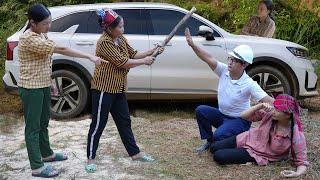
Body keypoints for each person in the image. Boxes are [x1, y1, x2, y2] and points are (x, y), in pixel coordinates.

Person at [18, 4, 103, 178]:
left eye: (50, 22)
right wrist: (89, 56)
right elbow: (62, 50)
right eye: (45, 23)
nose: (48, 26)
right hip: (31, 88)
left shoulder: (40, 34)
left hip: (42, 84)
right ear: (33, 23)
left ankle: (47, 154)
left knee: (43, 123)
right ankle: (37, 167)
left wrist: (51, 82)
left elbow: (42, 62)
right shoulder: (28, 38)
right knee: (33, 128)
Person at [85, 9, 164, 173]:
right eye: (120, 27)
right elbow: (122, 62)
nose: (123, 29)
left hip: (118, 87)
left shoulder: (120, 38)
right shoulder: (104, 42)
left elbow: (133, 54)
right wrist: (145, 61)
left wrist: (152, 51)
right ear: (109, 28)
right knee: (99, 123)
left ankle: (134, 153)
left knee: (124, 121)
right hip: (103, 89)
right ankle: (90, 157)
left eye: (122, 26)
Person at [184, 28, 274, 154]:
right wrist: (192, 44)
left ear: (244, 65)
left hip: (239, 121)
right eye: (230, 58)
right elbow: (207, 57)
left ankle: (237, 138)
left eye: (234, 60)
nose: (230, 62)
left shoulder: (249, 84)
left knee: (219, 136)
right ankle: (210, 142)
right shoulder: (224, 70)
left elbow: (268, 100)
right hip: (222, 115)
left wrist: (288, 109)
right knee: (201, 110)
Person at [210, 94, 308, 178]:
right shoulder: (270, 114)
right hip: (247, 138)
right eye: (274, 107)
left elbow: (302, 161)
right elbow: (244, 116)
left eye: (278, 110)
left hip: (257, 153)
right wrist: (259, 106)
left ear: (288, 115)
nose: (274, 111)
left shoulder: (296, 134)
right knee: (214, 147)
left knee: (219, 156)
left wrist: (296, 173)